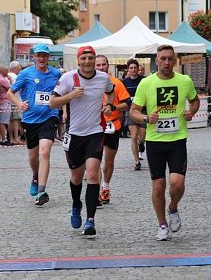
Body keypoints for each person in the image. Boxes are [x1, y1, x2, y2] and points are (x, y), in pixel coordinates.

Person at [129, 44, 200, 241]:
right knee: (158, 186)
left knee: (177, 183)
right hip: (155, 141)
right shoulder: (147, 83)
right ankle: (162, 224)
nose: (167, 62)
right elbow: (133, 111)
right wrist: (145, 119)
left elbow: (195, 101)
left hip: (177, 139)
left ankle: (173, 207)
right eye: (163, 59)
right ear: (156, 60)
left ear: (175, 61)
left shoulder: (184, 81)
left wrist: (191, 111)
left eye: (170, 59)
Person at [49, 46, 114, 236]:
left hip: (95, 133)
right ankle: (76, 204)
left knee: (93, 175)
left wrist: (108, 105)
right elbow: (52, 102)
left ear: (95, 60)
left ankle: (90, 220)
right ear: (78, 61)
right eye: (84, 58)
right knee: (76, 178)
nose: (87, 61)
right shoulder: (68, 78)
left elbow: (111, 91)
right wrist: (71, 96)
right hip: (74, 134)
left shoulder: (103, 78)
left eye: (90, 58)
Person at [8, 44, 61, 206]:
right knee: (33, 156)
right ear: (34, 57)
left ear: (48, 57)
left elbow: (63, 91)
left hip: (49, 117)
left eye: (44, 55)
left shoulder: (56, 74)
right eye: (38, 55)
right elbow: (10, 92)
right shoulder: (25, 74)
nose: (41, 58)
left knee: (44, 153)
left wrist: (63, 110)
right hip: (30, 119)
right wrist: (19, 104)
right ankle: (35, 175)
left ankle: (42, 191)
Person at [94, 54, 131, 205]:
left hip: (112, 126)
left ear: (108, 66)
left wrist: (113, 107)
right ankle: (95, 193)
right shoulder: (89, 83)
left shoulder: (116, 83)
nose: (101, 67)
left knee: (108, 161)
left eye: (104, 65)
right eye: (98, 65)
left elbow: (127, 104)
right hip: (94, 127)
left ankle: (105, 188)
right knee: (94, 161)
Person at [122, 59, 146, 170]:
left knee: (142, 136)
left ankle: (141, 144)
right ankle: (137, 162)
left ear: (138, 69)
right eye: (131, 68)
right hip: (130, 111)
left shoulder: (144, 81)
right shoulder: (124, 82)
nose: (133, 70)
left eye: (135, 68)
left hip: (143, 111)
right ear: (128, 69)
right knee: (134, 135)